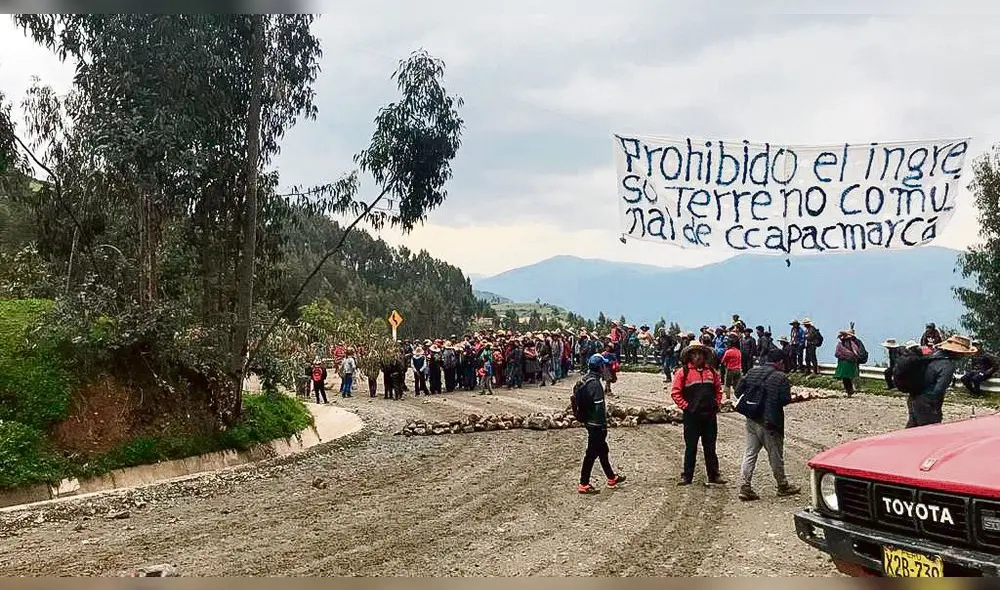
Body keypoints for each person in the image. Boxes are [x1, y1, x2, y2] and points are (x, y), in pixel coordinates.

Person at [736, 349, 801, 501]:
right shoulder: (781, 377)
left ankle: (745, 487)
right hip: (771, 422)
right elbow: (785, 400)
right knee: (775, 455)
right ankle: (782, 486)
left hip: (752, 418)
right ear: (780, 362)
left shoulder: (752, 371)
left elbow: (738, 391)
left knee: (750, 453)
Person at [671, 342, 726, 487]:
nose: (697, 357)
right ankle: (687, 476)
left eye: (700, 354)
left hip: (709, 416)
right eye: (694, 354)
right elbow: (675, 393)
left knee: (710, 447)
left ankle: (714, 475)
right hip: (692, 417)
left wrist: (717, 404)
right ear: (689, 356)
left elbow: (718, 390)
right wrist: (687, 407)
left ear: (704, 356)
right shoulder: (683, 372)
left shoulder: (712, 372)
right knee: (691, 447)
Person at [575, 354, 626, 494]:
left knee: (603, 450)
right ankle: (583, 483)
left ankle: (611, 477)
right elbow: (599, 408)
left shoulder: (584, 380)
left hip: (588, 421)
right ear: (600, 367)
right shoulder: (596, 385)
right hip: (596, 424)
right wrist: (603, 424)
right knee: (591, 454)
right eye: (604, 365)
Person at [908, 335, 977, 427]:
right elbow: (939, 389)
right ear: (956, 352)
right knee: (930, 431)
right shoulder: (947, 366)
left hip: (914, 397)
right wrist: (935, 408)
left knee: (912, 430)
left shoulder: (932, 356)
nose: (964, 355)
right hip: (927, 401)